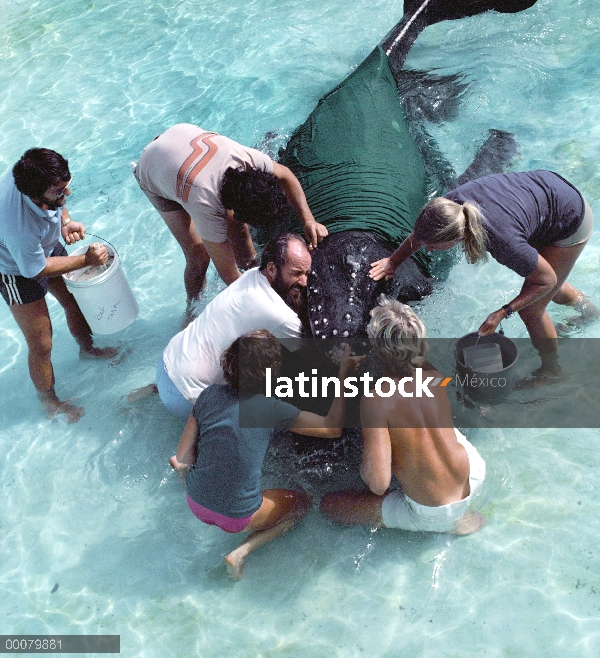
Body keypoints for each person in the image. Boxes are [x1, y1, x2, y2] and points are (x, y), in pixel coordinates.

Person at [370, 170, 595, 382]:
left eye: (433, 246)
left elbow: (547, 281)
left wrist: (502, 312)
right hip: (547, 197)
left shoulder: (502, 241)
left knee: (531, 307)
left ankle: (552, 372)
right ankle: (589, 311)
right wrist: (393, 262)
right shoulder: (448, 209)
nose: (428, 249)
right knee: (539, 278)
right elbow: (421, 235)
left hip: (570, 218)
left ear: (455, 237)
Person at [169, 331, 362, 578]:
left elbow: (183, 454)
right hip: (236, 518)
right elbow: (332, 428)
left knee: (187, 462)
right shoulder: (271, 409)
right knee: (301, 503)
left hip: (194, 501)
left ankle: (187, 477)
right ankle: (242, 551)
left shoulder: (209, 395)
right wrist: (343, 374)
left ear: (229, 361)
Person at [320, 298, 485, 535]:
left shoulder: (376, 401)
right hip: (474, 474)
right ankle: (459, 513)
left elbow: (378, 484)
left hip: (435, 512)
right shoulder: (431, 373)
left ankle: (453, 523)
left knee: (329, 506)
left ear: (377, 349)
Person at [133, 123, 328, 306]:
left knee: (239, 229)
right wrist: (273, 299)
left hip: (180, 139)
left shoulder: (248, 160)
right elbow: (230, 277)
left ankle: (252, 265)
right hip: (152, 166)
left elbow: (285, 175)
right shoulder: (205, 204)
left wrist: (308, 220)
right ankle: (191, 308)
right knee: (199, 255)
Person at [129, 234, 312, 418]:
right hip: (187, 398)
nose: (304, 282)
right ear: (272, 269)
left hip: (167, 362)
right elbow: (312, 362)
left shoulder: (252, 275)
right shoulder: (282, 317)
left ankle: (133, 400)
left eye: (307, 273)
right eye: (296, 273)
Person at [0, 149, 116, 422]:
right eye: (59, 192)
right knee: (42, 343)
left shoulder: (35, 173)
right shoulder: (19, 227)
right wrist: (85, 260)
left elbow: (57, 193)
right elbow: (35, 269)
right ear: (35, 195)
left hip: (43, 247)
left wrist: (65, 221)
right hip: (15, 270)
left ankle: (87, 349)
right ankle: (48, 401)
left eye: (66, 185)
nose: (67, 195)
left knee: (74, 298)